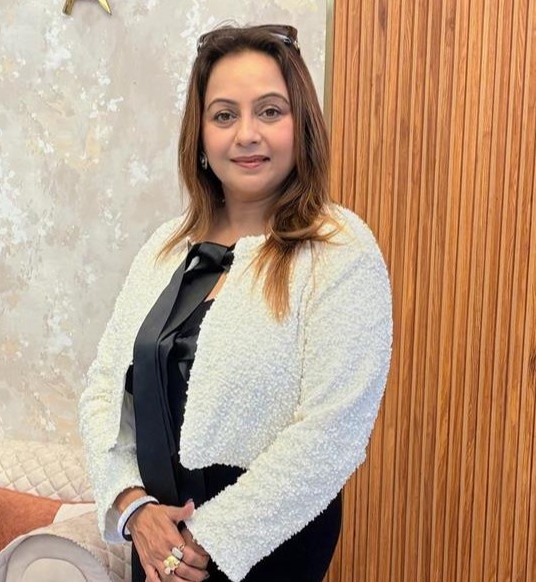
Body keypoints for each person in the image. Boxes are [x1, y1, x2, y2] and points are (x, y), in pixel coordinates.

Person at [79, 23, 393, 582]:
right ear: (200, 135)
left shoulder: (339, 248)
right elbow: (105, 388)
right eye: (224, 115)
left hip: (267, 546)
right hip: (155, 544)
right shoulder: (165, 245)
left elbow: (334, 430)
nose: (247, 134)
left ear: (301, 123)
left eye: (270, 111)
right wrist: (133, 507)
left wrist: (208, 537)